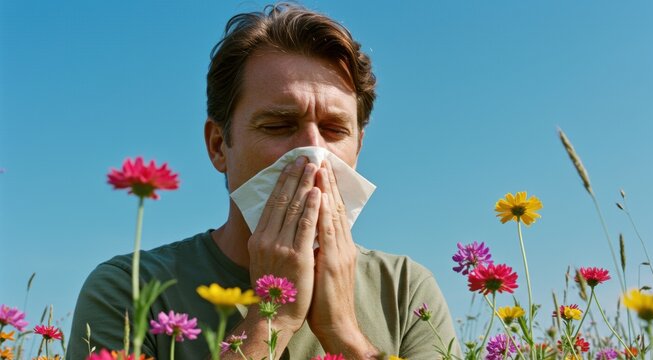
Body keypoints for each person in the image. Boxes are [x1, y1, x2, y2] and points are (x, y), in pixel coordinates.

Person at [68, 3, 460, 359]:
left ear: (359, 145)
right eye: (278, 125)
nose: (312, 150)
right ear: (219, 146)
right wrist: (271, 316)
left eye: (334, 130)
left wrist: (344, 333)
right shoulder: (131, 288)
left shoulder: (406, 288)